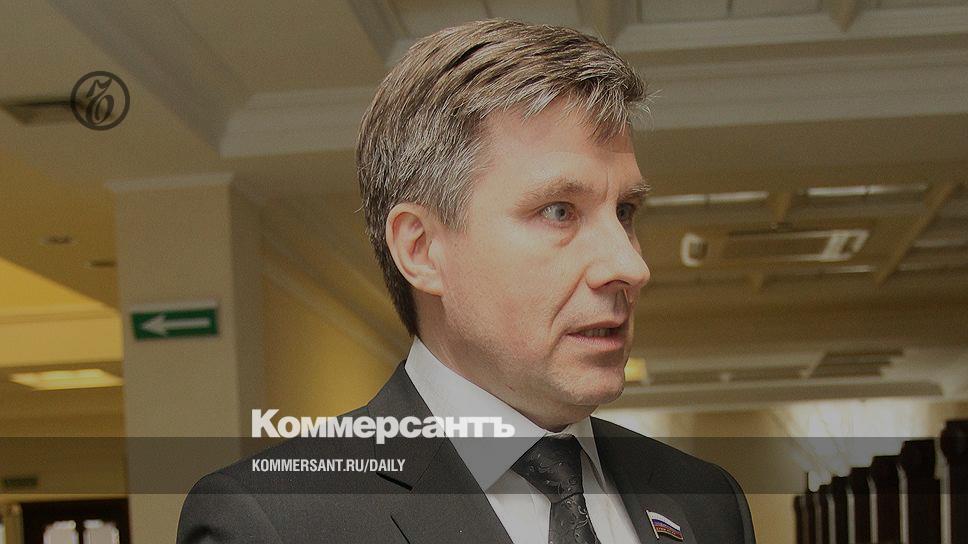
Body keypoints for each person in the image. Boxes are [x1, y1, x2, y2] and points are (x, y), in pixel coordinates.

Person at [177, 19, 756, 544]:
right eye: (559, 211)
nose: (630, 266)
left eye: (624, 212)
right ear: (422, 250)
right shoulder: (272, 522)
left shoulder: (706, 502)